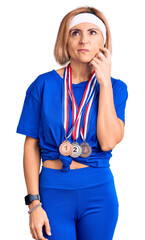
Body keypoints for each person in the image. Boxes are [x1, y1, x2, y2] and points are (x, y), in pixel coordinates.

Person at [16, 6, 128, 240]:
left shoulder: (116, 88)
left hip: (99, 193)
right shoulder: (43, 84)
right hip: (53, 192)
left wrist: (104, 82)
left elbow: (108, 142)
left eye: (92, 32)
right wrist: (34, 205)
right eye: (75, 32)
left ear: (104, 41)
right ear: (64, 40)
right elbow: (31, 147)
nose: (84, 39)